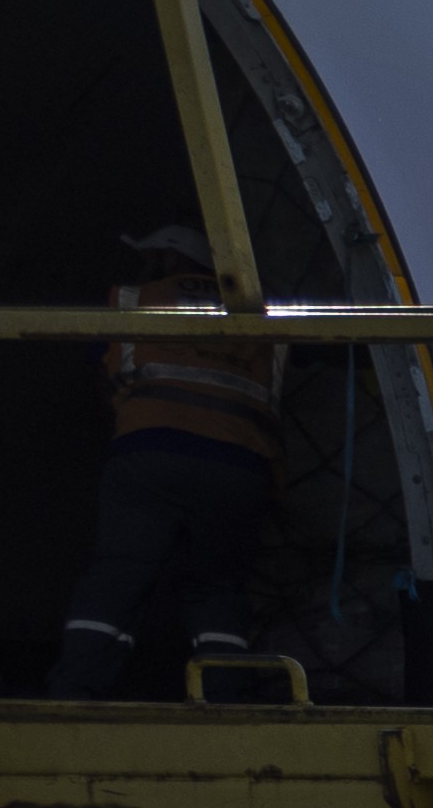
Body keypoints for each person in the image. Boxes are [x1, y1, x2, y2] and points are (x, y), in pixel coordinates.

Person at [50, 222, 287, 695]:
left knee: (119, 573)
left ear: (166, 260)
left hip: (149, 454)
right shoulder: (265, 315)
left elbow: (98, 365)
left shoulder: (131, 299)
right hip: (239, 467)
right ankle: (227, 697)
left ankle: (80, 692)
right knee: (217, 587)